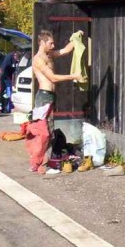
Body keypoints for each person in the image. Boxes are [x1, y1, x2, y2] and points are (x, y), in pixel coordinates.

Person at [32, 30, 82, 170]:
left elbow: (65, 51)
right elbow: (53, 78)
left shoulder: (49, 54)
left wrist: (76, 37)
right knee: (45, 132)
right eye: (50, 43)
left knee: (50, 129)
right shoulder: (38, 59)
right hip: (43, 97)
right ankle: (41, 163)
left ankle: (47, 161)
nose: (53, 45)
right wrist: (74, 76)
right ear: (42, 42)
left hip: (50, 96)